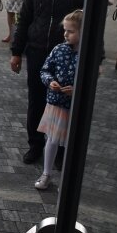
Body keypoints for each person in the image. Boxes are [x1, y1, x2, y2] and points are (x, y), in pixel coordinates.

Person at [10, 0, 87, 165]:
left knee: (63, 102)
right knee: (36, 99)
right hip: (36, 51)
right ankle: (35, 144)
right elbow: (24, 20)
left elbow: (91, 23)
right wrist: (16, 52)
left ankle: (60, 149)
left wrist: (95, 58)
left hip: (66, 56)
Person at [34, 10, 83, 190]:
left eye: (70, 31)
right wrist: (50, 82)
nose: (65, 34)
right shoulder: (59, 49)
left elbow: (92, 79)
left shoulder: (87, 54)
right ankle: (46, 173)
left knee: (73, 142)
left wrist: (77, 90)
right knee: (52, 140)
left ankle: (69, 178)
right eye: (65, 30)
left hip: (75, 106)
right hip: (56, 103)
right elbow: (45, 70)